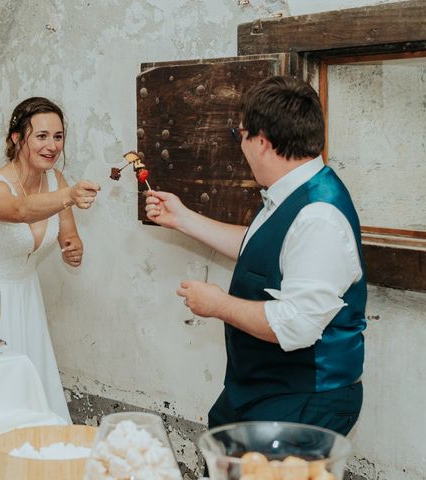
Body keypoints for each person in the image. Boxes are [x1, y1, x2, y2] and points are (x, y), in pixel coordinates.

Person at [145, 76, 366, 435]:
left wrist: (218, 304)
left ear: (261, 142)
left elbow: (296, 324)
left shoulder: (318, 216)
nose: (241, 144)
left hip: (302, 397)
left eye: (240, 134)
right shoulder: (292, 191)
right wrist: (183, 218)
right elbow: (263, 249)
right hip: (263, 389)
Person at [0, 97, 100, 422]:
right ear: (16, 138)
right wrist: (68, 197)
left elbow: (67, 232)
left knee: (29, 400)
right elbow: (18, 211)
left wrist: (73, 248)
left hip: (25, 299)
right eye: (41, 136)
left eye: (58, 136)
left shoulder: (56, 181)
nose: (52, 145)